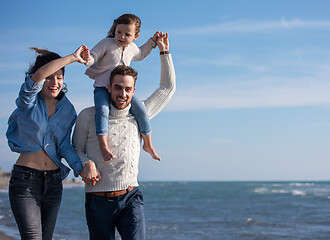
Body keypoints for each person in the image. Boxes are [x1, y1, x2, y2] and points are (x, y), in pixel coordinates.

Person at [73, 33, 175, 240]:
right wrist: (87, 164)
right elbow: (76, 149)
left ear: (133, 90)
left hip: (131, 197)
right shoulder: (87, 115)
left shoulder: (141, 113)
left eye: (128, 89)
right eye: (117, 88)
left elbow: (167, 88)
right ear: (108, 87)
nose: (122, 94)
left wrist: (164, 51)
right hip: (97, 199)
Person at [6, 45, 89, 240]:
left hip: (53, 182)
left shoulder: (68, 110)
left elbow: (64, 146)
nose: (55, 82)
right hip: (25, 180)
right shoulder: (28, 101)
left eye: (59, 77)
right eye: (50, 77)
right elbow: (36, 78)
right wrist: (72, 58)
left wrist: (81, 168)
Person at [83, 13, 161, 162]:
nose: (122, 36)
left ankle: (148, 144)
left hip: (123, 92)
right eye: (119, 32)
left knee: (142, 110)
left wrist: (152, 42)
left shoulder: (131, 48)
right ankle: (103, 145)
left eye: (127, 34)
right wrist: (87, 58)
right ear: (115, 29)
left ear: (136, 36)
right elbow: (93, 57)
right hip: (102, 88)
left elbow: (141, 54)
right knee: (103, 110)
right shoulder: (106, 43)